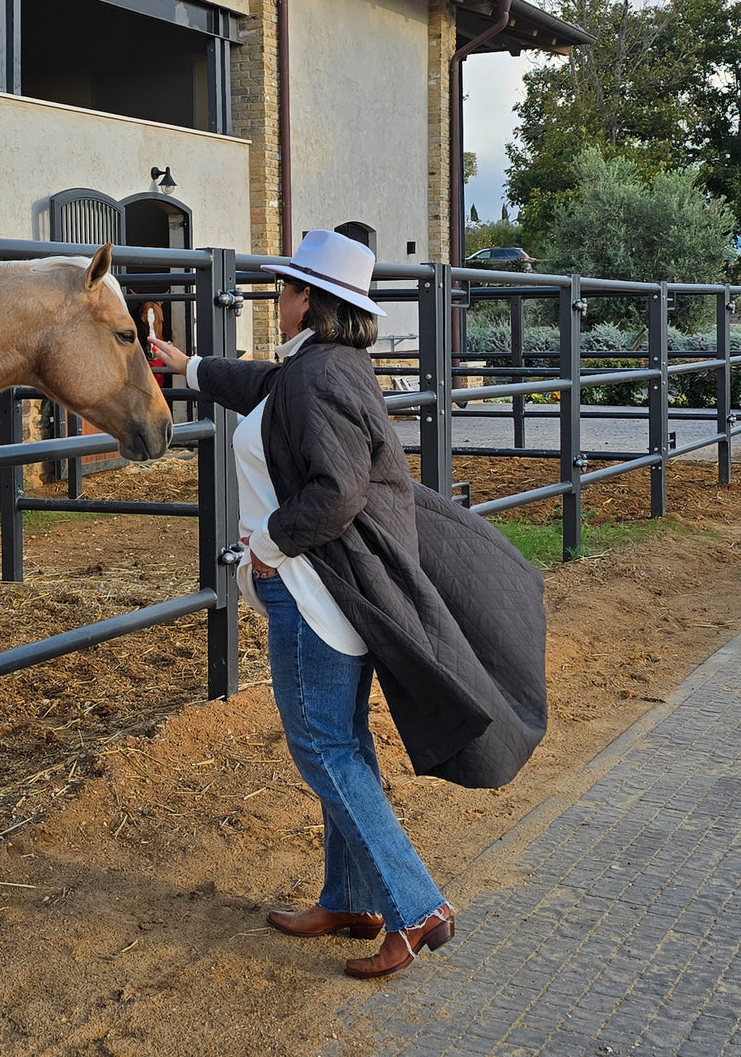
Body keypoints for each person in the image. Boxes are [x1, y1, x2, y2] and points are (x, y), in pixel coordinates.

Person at [151, 229, 547, 980]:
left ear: (311, 301)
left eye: (286, 289)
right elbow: (266, 386)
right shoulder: (326, 368)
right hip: (332, 588)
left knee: (324, 750)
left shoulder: (317, 380)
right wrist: (191, 366)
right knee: (345, 744)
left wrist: (265, 545)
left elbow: (336, 491)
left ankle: (416, 904)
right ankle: (351, 896)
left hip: (311, 590)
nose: (278, 299)